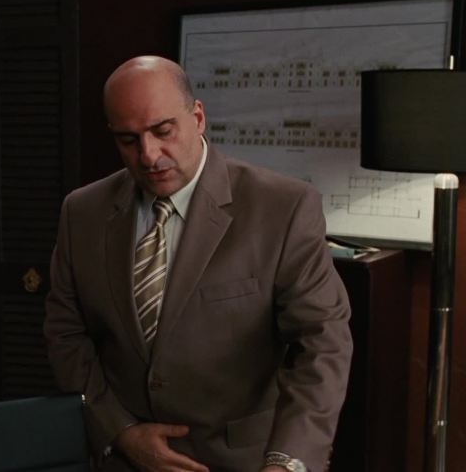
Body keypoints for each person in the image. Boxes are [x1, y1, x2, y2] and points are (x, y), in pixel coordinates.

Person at [44, 55, 353, 472]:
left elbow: (322, 344)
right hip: (124, 459)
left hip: (244, 462)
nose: (149, 155)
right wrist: (120, 432)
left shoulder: (283, 208)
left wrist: (287, 462)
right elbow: (65, 334)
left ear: (198, 117)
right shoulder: (82, 212)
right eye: (128, 140)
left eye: (163, 131)